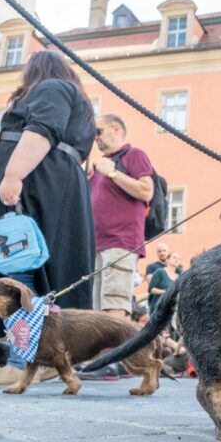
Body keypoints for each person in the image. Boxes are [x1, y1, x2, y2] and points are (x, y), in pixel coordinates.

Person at [0, 50, 96, 385]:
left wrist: (13, 175)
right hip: (49, 183)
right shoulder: (69, 94)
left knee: (19, 268)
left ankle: (24, 361)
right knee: (36, 270)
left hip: (35, 184)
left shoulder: (50, 87)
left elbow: (41, 131)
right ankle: (42, 359)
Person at [89, 113, 154, 320]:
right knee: (98, 309)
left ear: (116, 130)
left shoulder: (133, 155)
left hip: (120, 242)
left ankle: (116, 353)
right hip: (98, 244)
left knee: (114, 304)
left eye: (99, 131)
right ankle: (106, 352)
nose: (95, 137)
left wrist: (113, 174)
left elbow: (146, 191)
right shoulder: (101, 165)